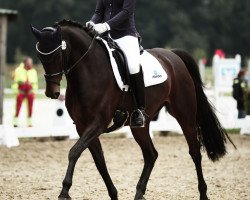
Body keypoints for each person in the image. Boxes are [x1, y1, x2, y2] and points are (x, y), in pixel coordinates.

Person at [86, 0, 146, 127]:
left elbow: (126, 12)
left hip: (125, 35)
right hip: (106, 36)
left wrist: (106, 25)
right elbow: (98, 12)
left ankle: (140, 110)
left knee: (133, 67)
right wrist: (92, 22)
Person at [11, 57, 38, 127]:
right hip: (21, 92)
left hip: (30, 92)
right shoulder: (18, 70)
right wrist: (16, 91)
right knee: (17, 107)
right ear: (25, 63)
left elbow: (35, 83)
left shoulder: (33, 71)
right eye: (29, 62)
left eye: (31, 62)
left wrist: (34, 92)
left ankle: (29, 122)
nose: (30, 64)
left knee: (30, 107)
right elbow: (15, 81)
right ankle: (15, 122)